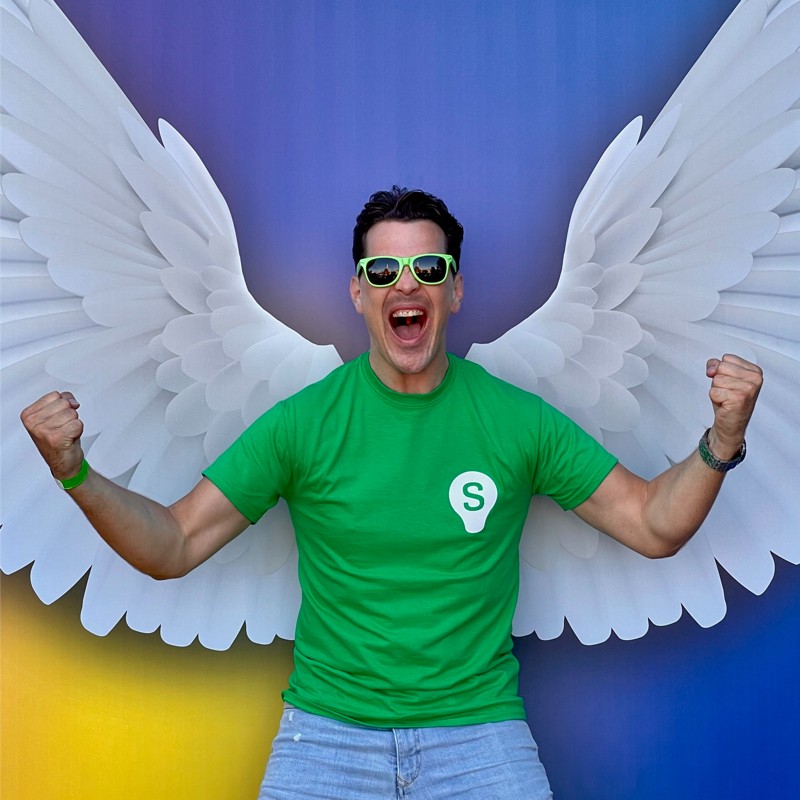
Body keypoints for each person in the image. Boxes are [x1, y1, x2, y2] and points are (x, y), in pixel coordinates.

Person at [21, 187, 763, 799]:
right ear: (358, 292)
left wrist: (722, 439)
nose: (405, 285)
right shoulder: (304, 424)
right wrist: (74, 472)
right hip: (326, 740)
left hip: (480, 735)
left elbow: (652, 524)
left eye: (427, 267)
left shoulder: (516, 421)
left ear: (455, 289)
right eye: (383, 271)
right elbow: (174, 544)